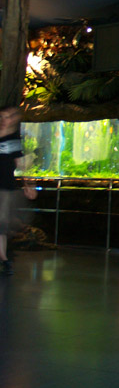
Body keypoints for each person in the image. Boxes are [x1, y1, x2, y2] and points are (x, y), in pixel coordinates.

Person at [0, 107, 35, 275]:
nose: (5, 120)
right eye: (2, 117)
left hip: (5, 186)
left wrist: (29, 184)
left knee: (1, 224)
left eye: (8, 117)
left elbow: (20, 163)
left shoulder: (13, 139)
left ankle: (4, 260)